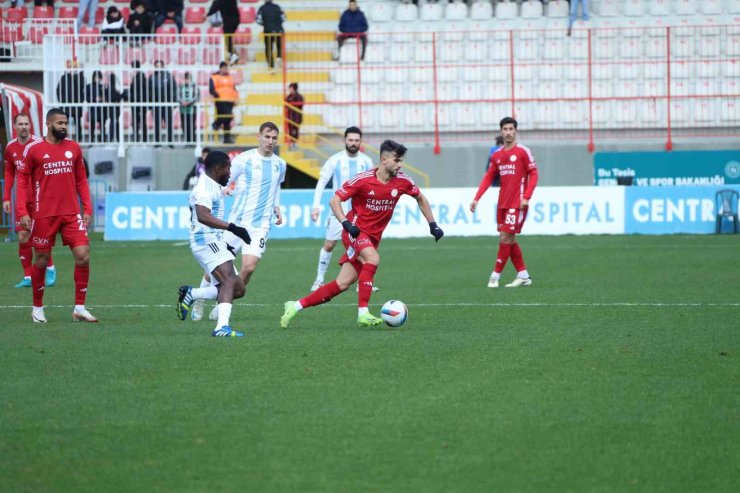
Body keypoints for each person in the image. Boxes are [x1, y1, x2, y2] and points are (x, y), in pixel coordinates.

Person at [281, 139, 444, 328]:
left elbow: (420, 198)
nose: (400, 165)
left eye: (401, 161)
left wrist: (433, 224)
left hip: (373, 238)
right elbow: (334, 201)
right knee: (373, 259)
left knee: (342, 284)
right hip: (355, 231)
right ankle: (363, 313)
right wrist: (346, 223)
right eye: (397, 160)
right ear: (384, 159)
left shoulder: (403, 181)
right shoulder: (363, 180)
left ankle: (295, 306)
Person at [189, 122, 285, 323]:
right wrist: (226, 189)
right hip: (237, 222)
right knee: (217, 265)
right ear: (259, 136)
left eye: (274, 138)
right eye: (267, 137)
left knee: (248, 268)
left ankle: (223, 300)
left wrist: (277, 205)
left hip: (260, 225)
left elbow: (277, 187)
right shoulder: (244, 159)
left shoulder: (280, 164)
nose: (270, 141)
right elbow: (223, 177)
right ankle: (200, 298)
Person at [15, 108, 97, 323]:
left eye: (65, 123)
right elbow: (22, 181)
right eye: (59, 123)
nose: (63, 126)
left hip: (71, 213)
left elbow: (81, 181)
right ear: (48, 124)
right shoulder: (34, 150)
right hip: (44, 214)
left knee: (83, 255)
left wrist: (87, 209)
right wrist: (22, 211)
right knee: (41, 260)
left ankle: (79, 307)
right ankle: (38, 307)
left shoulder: (73, 148)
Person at [176, 151, 251, 337]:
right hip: (205, 240)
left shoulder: (213, 184)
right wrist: (232, 228)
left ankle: (192, 294)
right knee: (228, 282)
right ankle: (221, 328)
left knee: (238, 289)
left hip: (214, 240)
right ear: (218, 169)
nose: (230, 172)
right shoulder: (204, 189)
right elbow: (203, 215)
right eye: (228, 168)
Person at [469, 116, 538, 288]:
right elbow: (488, 177)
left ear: (515, 131)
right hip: (503, 204)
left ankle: (495, 276)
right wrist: (477, 198)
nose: (508, 132)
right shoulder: (497, 155)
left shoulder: (523, 151)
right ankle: (523, 275)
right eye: (505, 129)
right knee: (510, 238)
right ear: (501, 131)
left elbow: (534, 174)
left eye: (511, 129)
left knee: (505, 236)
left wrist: (526, 197)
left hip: (518, 203)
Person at [309, 126, 373, 292]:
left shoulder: (366, 161)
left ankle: (362, 283)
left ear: (360, 142)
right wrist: (315, 206)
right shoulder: (335, 160)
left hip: (360, 214)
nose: (353, 143)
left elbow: (372, 185)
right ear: (344, 140)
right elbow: (322, 182)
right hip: (339, 212)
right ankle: (319, 279)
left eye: (356, 140)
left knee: (363, 247)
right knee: (330, 244)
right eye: (350, 140)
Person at [2, 114, 57, 288]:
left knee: (41, 236)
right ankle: (28, 277)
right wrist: (6, 197)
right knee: (23, 236)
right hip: (22, 199)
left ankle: (50, 268)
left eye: (26, 123)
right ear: (15, 126)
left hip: (41, 197)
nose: (24, 126)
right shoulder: (10, 147)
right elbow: (10, 172)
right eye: (20, 124)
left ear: (30, 125)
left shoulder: (38, 144)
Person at [148, 59, 177, 145]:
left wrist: (173, 102)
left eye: (160, 66)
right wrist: (150, 104)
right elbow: (149, 91)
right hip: (156, 104)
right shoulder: (152, 78)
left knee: (169, 123)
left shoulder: (169, 76)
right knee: (157, 123)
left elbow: (174, 89)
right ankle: (157, 141)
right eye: (157, 66)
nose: (159, 68)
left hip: (167, 104)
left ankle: (170, 141)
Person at [209, 61, 238, 144]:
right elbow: (211, 89)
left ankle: (226, 137)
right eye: (224, 68)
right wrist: (218, 96)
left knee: (227, 120)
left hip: (230, 100)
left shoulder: (230, 77)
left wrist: (236, 97)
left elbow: (234, 88)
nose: (226, 69)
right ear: (221, 68)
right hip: (220, 101)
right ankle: (216, 124)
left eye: (227, 68)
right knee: (228, 116)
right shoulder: (214, 77)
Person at [55, 60, 86, 140]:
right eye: (70, 67)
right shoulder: (63, 77)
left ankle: (79, 139)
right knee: (64, 123)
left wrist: (77, 75)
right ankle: (63, 138)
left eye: (74, 67)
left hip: (77, 104)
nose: (72, 69)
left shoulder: (80, 77)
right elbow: (58, 90)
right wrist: (62, 100)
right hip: (66, 105)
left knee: (77, 123)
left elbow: (82, 87)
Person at [207, 0, 240, 65]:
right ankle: (232, 54)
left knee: (227, 38)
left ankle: (233, 55)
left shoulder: (220, 2)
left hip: (229, 20)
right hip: (235, 19)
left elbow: (215, 6)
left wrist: (207, 14)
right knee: (228, 38)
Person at [256, 0, 285, 72]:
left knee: (268, 48)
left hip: (268, 31)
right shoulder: (277, 7)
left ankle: (271, 65)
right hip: (279, 30)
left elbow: (258, 20)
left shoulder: (262, 8)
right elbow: (283, 18)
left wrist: (265, 24)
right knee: (279, 45)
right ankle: (279, 57)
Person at [129, 60, 149, 142]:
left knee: (142, 121)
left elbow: (142, 90)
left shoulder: (141, 76)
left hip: (140, 102)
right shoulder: (135, 76)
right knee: (135, 121)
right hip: (135, 102)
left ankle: (143, 139)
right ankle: (136, 138)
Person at [85, 70, 107, 143]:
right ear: (93, 78)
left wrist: (104, 98)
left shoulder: (103, 86)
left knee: (102, 127)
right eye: (96, 77)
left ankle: (102, 141)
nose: (97, 79)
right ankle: (91, 141)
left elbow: (107, 97)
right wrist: (94, 99)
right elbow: (86, 98)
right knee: (92, 127)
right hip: (92, 110)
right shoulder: (89, 86)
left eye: (99, 78)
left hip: (102, 110)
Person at [178, 71, 198, 143]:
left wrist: (189, 103)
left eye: (188, 78)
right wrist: (182, 102)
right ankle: (187, 141)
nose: (187, 80)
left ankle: (193, 141)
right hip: (183, 110)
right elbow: (178, 96)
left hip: (192, 110)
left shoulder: (194, 86)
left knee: (191, 125)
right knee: (184, 125)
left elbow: (196, 97)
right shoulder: (181, 86)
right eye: (186, 78)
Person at [284, 82, 304, 148]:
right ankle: (291, 142)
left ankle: (295, 142)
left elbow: (301, 104)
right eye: (289, 88)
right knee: (290, 129)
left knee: (296, 130)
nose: (290, 89)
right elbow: (286, 105)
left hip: (297, 116)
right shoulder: (288, 96)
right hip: (290, 116)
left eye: (291, 88)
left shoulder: (299, 96)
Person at [105, 73, 123, 142]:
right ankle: (116, 138)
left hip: (111, 108)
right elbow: (117, 96)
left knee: (113, 122)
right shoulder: (112, 89)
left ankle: (112, 138)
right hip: (115, 108)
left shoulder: (108, 88)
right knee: (115, 123)